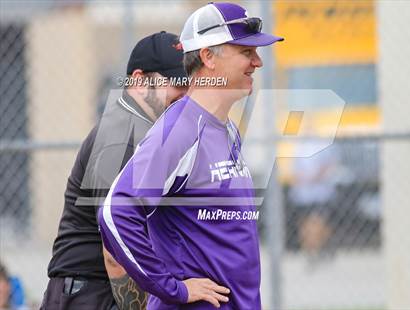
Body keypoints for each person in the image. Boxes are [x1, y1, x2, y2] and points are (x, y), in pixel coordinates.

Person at [98, 2, 284, 309]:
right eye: (245, 52)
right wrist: (172, 289)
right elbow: (116, 213)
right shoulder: (180, 130)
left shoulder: (228, 130)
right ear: (208, 56)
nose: (257, 62)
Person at [41, 32, 188, 310]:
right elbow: (115, 252)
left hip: (91, 290)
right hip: (91, 292)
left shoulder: (144, 130)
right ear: (138, 80)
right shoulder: (123, 136)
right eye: (176, 83)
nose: (184, 94)